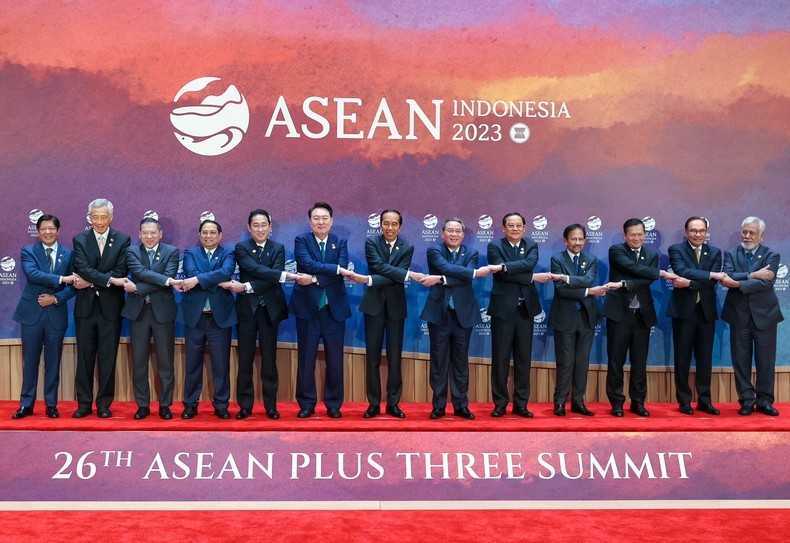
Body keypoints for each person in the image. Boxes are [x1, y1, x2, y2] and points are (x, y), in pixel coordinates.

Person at [225, 209, 303, 420]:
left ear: (270, 227)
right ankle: (245, 406)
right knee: (245, 360)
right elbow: (255, 269)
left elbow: (271, 278)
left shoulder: (278, 248)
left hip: (270, 310)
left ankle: (271, 406)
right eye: (255, 225)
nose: (260, 229)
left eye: (264, 225)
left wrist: (248, 286)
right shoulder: (241, 248)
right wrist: (282, 275)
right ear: (249, 228)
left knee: (270, 360)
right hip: (246, 311)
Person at [602, 218, 676, 417]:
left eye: (640, 234)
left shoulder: (651, 255)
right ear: (625, 235)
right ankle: (617, 403)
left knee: (640, 362)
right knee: (616, 361)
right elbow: (633, 269)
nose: (636, 238)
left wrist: (627, 283)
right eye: (632, 234)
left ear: (645, 235)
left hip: (642, 315)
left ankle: (638, 402)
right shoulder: (616, 251)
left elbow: (647, 279)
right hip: (619, 315)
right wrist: (658, 272)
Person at [420, 218, 493, 420]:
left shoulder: (472, 253)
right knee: (439, 362)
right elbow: (449, 269)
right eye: (450, 230)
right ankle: (439, 406)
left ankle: (461, 405)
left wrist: (442, 279)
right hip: (439, 313)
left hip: (464, 314)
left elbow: (464, 277)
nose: (454, 234)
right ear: (442, 233)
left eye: (458, 231)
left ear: (463, 234)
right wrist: (472, 273)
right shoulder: (434, 251)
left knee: (461, 362)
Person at [356, 209, 422, 419]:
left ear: (400, 227)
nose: (390, 228)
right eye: (386, 223)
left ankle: (393, 403)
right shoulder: (372, 243)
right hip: (374, 305)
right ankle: (373, 403)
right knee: (372, 357)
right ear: (380, 225)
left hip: (395, 307)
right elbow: (377, 266)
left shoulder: (407, 247)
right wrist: (404, 274)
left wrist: (372, 280)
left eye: (394, 224)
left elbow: (393, 276)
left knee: (395, 357)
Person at [290, 202, 353, 419]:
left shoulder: (340, 242)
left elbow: (341, 269)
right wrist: (334, 270)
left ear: (332, 221)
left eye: (325, 218)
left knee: (335, 360)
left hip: (334, 309)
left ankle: (334, 404)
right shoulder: (302, 240)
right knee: (306, 359)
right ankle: (306, 404)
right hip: (308, 309)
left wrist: (316, 277)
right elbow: (306, 263)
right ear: (310, 222)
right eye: (316, 218)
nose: (321, 222)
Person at [12, 214, 77, 419]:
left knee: (53, 362)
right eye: (43, 229)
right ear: (38, 232)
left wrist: (55, 299)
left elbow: (74, 286)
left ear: (58, 231)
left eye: (51, 229)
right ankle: (26, 404)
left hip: (56, 314)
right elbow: (33, 274)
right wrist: (61, 278)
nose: (47, 232)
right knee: (30, 361)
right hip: (31, 314)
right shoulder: (28, 251)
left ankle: (51, 404)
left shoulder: (69, 254)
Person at [486, 212, 551, 418]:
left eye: (518, 226)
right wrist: (529, 277)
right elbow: (502, 276)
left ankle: (521, 404)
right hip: (502, 310)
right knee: (500, 359)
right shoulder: (494, 246)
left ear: (524, 228)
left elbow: (528, 264)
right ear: (503, 228)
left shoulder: (531, 245)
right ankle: (500, 404)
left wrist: (506, 267)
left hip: (526, 310)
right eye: (510, 226)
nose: (515, 229)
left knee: (523, 359)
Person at [71, 198, 131, 418]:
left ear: (111, 217)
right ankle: (84, 404)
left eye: (103, 216)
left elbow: (121, 270)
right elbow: (81, 268)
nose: (99, 221)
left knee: (108, 357)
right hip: (85, 309)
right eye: (94, 216)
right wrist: (104, 280)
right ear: (90, 217)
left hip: (111, 308)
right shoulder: (80, 239)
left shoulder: (123, 239)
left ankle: (104, 404)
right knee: (85, 358)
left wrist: (92, 281)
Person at [721, 216, 783, 416]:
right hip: (738, 315)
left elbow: (767, 282)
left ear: (761, 236)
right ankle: (747, 400)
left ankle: (765, 401)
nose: (747, 236)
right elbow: (726, 276)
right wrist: (753, 275)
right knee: (740, 360)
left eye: (752, 233)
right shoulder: (730, 254)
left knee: (766, 361)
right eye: (744, 231)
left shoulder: (772, 255)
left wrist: (738, 283)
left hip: (765, 316)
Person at [121, 217, 180, 420]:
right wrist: (165, 280)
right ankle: (142, 405)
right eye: (144, 233)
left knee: (165, 361)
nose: (149, 236)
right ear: (139, 234)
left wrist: (137, 287)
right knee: (139, 361)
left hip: (163, 313)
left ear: (160, 234)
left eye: (153, 232)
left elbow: (165, 278)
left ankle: (165, 405)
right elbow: (140, 272)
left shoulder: (171, 252)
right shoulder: (131, 251)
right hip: (138, 312)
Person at [179, 219, 237, 420]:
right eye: (205, 232)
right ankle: (190, 404)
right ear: (200, 234)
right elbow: (191, 273)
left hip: (219, 319)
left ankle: (221, 404)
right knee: (192, 364)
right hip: (195, 317)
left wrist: (198, 281)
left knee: (221, 365)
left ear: (220, 236)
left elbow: (226, 272)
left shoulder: (228, 253)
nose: (209, 236)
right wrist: (214, 281)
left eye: (213, 232)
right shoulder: (190, 253)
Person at [666, 217, 724, 416]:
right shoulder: (676, 250)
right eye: (693, 230)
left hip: (706, 312)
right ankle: (684, 401)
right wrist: (709, 275)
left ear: (707, 232)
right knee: (682, 358)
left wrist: (690, 283)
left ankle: (704, 401)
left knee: (705, 359)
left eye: (701, 230)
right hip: (683, 312)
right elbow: (681, 270)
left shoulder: (716, 252)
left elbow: (711, 281)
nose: (697, 234)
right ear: (686, 232)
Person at [549, 224, 606, 417]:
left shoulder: (591, 259)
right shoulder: (557, 259)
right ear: (566, 240)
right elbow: (561, 290)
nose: (577, 243)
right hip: (565, 317)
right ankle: (559, 403)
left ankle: (578, 402)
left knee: (582, 362)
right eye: (573, 239)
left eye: (581, 239)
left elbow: (589, 279)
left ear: (585, 241)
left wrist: (567, 278)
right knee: (565, 362)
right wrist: (588, 292)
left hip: (586, 316)